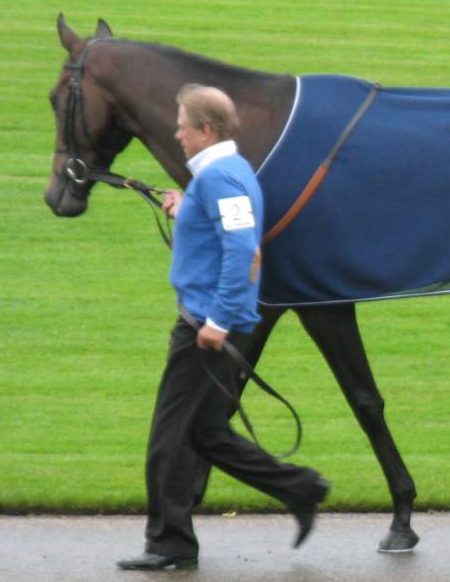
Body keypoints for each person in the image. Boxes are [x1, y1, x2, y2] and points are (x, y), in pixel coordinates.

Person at [117, 84, 329, 571]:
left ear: (206, 130)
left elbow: (241, 249)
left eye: (183, 127)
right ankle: (300, 488)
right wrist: (185, 208)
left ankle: (170, 544)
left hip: (207, 328)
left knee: (169, 438)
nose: (177, 134)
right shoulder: (224, 174)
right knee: (206, 432)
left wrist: (217, 321)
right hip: (215, 321)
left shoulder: (222, 179)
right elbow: (225, 229)